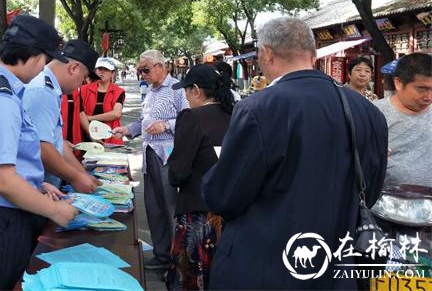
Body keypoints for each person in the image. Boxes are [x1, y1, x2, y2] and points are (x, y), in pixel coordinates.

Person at [201, 17, 388, 290]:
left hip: (263, 268)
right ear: (312, 55)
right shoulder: (368, 111)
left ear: (266, 53)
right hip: (335, 271)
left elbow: (224, 196)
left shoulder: (259, 108)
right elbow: (369, 193)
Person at [0, 15, 78, 291]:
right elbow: (2, 180)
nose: (43, 69)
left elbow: (3, 159)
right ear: (35, 57)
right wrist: (55, 210)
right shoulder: (0, 97)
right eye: (46, 61)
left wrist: (37, 183)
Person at [113, 50, 189, 269]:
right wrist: (127, 130)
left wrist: (166, 125)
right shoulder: (150, 90)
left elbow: (189, 120)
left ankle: (178, 261)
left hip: (168, 156)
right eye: (140, 70)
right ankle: (162, 254)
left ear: (160, 66)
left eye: (145, 69)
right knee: (153, 206)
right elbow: (143, 120)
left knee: (170, 208)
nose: (142, 74)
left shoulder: (177, 89)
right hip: (149, 153)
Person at [166, 64, 235, 290]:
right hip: (232, 215)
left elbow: (178, 172)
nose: (185, 97)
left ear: (195, 90)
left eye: (186, 91)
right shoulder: (237, 114)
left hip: (199, 216)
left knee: (194, 278)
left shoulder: (191, 117)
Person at [23, 39, 100, 193]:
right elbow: (42, 148)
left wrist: (82, 174)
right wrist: (76, 177)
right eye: (84, 78)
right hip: (34, 189)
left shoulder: (51, 90)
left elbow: (57, 143)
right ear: (74, 68)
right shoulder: (42, 91)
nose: (82, 84)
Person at [373, 52, 432, 189]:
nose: (429, 97)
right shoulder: (374, 114)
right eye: (422, 89)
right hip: (388, 204)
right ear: (398, 83)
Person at [80, 57, 126, 145]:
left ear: (112, 73)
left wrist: (90, 118)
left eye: (106, 69)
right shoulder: (84, 89)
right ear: (95, 71)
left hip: (109, 136)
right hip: (86, 134)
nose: (102, 72)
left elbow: (116, 114)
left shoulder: (118, 91)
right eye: (100, 69)